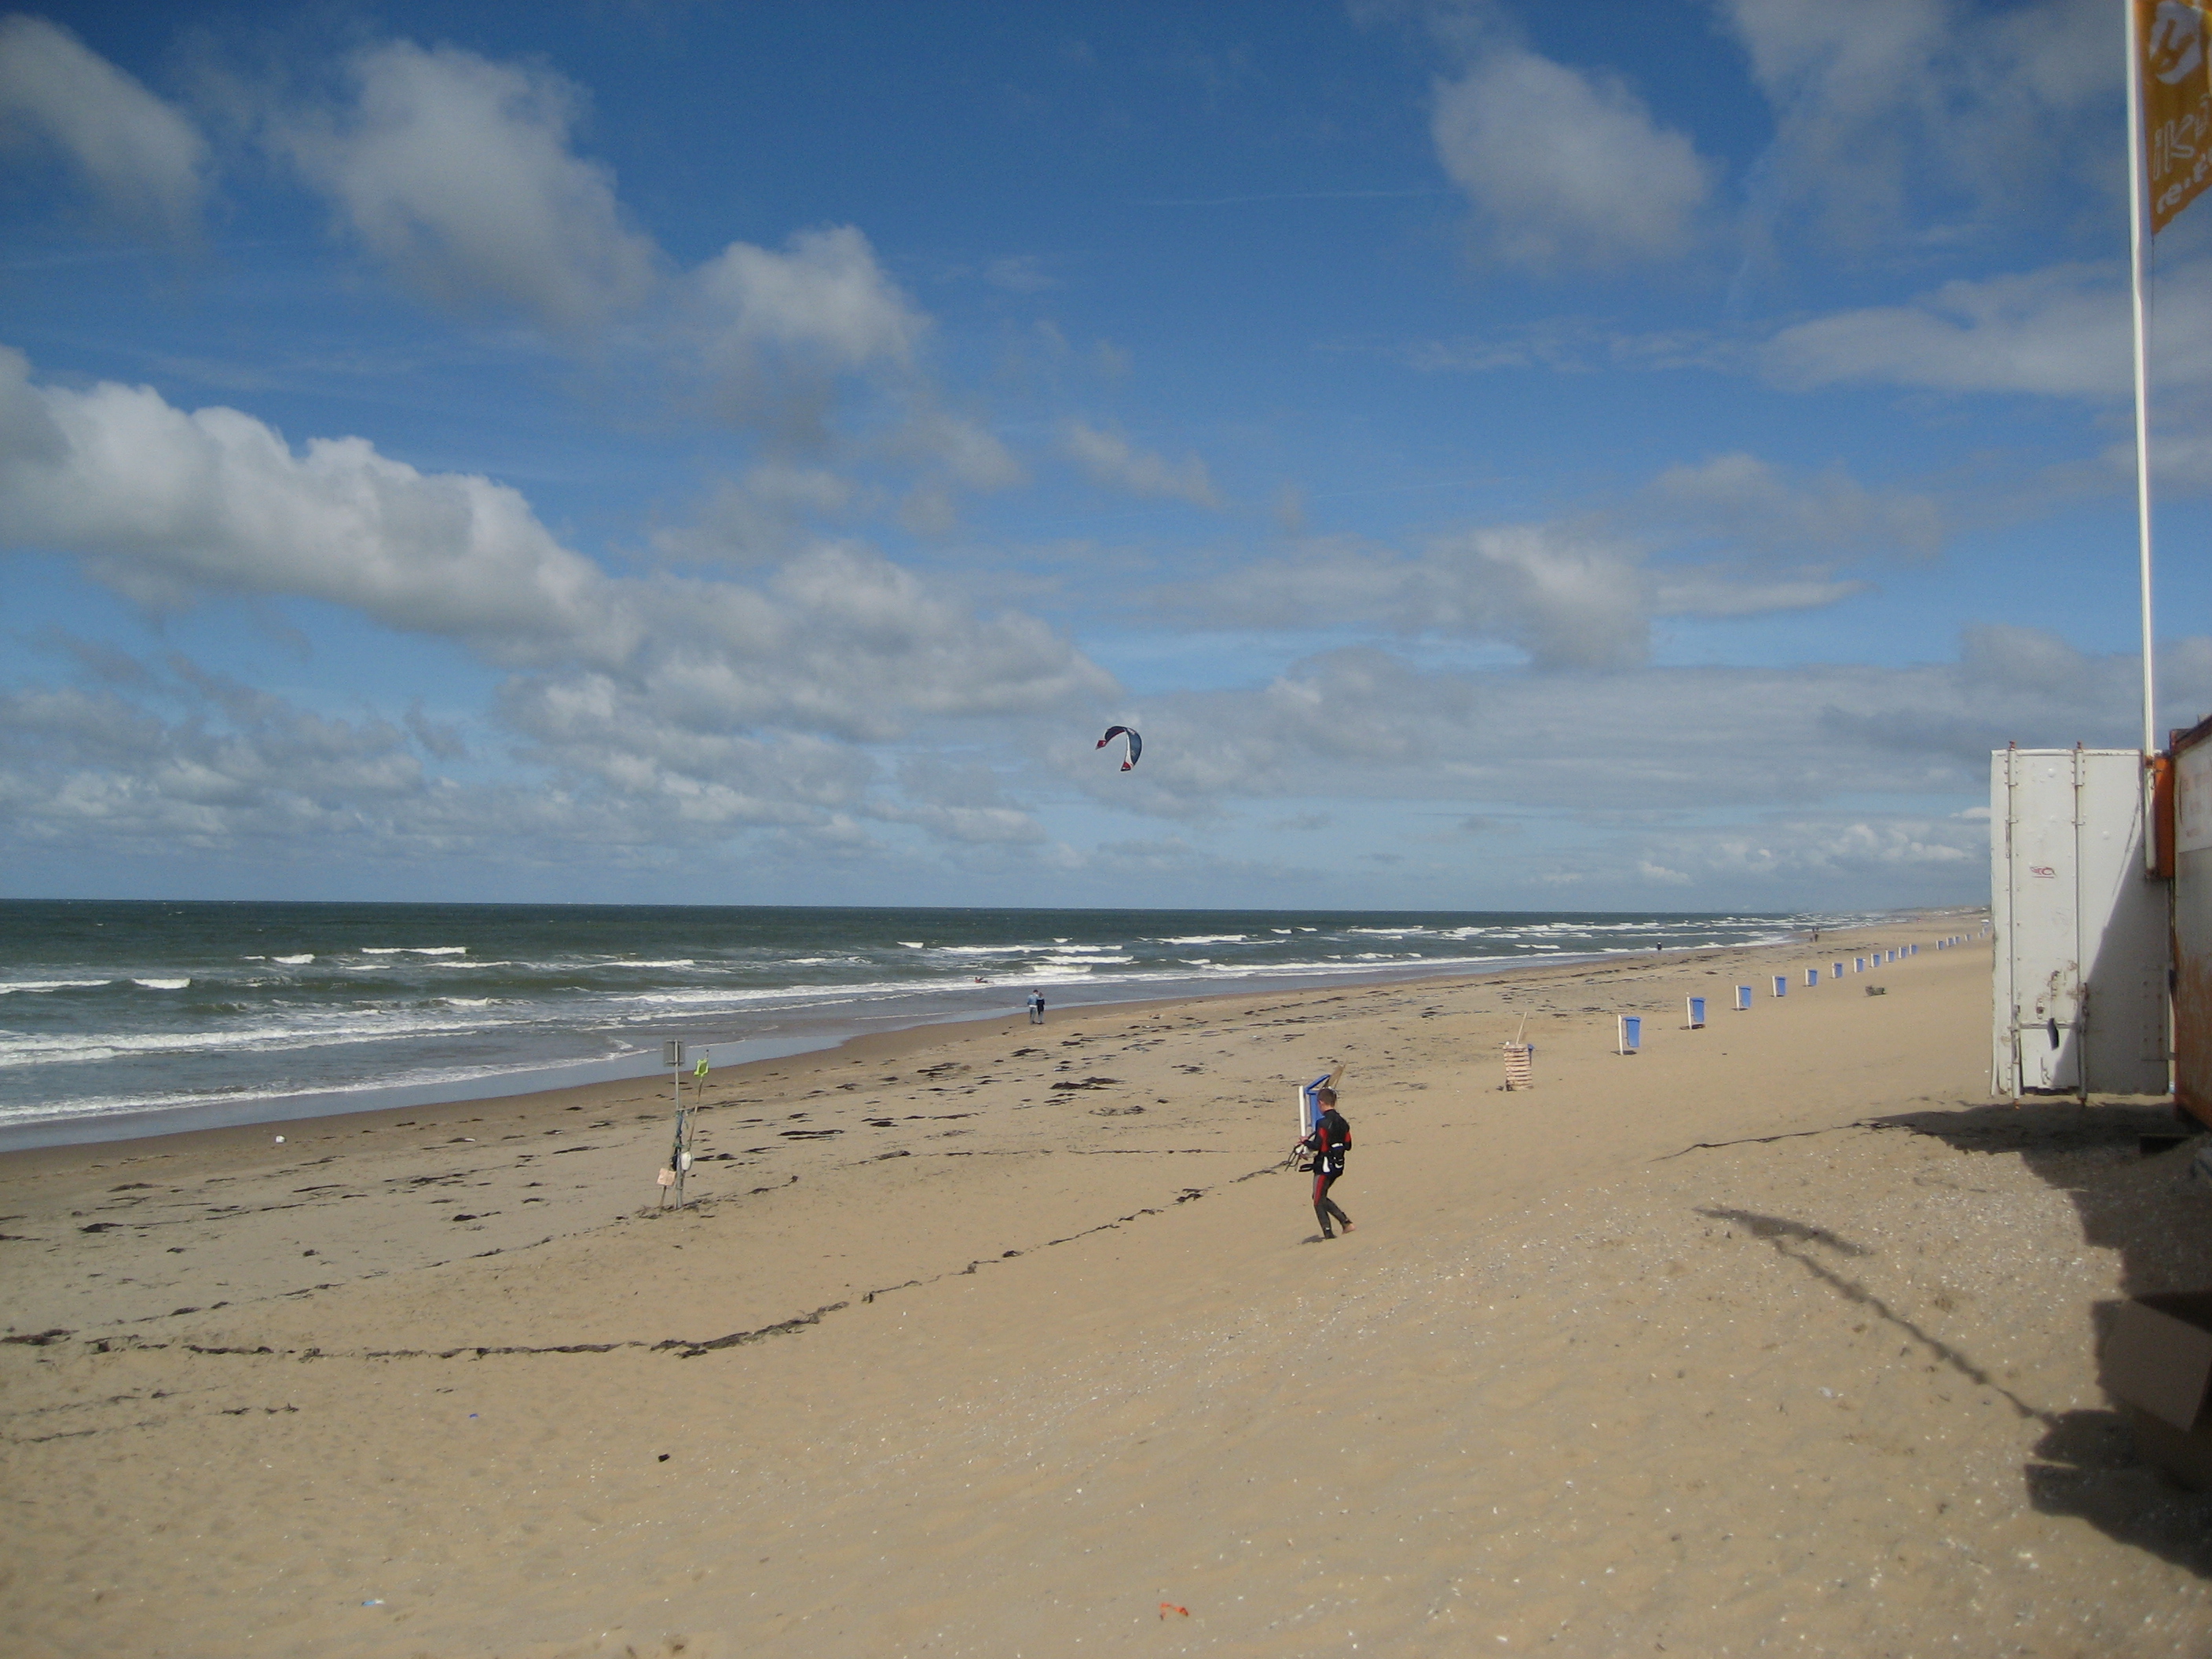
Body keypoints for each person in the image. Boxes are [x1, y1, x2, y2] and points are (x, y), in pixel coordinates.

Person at [1298, 1086, 1353, 1239]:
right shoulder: (1343, 1122)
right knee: (1321, 1196)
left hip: (1325, 1166)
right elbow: (1348, 1145)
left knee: (1317, 1199)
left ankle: (1332, 1232)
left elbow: (1318, 1145)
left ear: (1321, 1103)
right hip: (1338, 1166)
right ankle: (1345, 1223)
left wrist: (1305, 1142)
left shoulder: (1323, 1123)